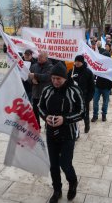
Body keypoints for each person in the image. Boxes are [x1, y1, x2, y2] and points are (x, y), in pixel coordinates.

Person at [38, 62, 85, 203]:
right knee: (53, 166)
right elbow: (39, 107)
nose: (55, 81)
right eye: (53, 78)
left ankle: (73, 182)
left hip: (68, 134)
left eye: (58, 78)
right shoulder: (47, 90)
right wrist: (46, 117)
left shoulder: (74, 90)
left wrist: (64, 119)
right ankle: (57, 190)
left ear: (65, 77)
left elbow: (82, 112)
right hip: (51, 133)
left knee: (65, 164)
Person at [67, 55, 95, 133]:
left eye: (79, 61)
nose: (77, 63)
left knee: (85, 113)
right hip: (73, 97)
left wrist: (89, 98)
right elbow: (67, 83)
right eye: (76, 61)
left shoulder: (88, 72)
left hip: (84, 97)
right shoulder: (71, 71)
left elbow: (92, 87)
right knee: (74, 114)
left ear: (82, 62)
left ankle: (87, 125)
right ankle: (76, 131)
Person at [28, 50, 53, 128]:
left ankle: (48, 125)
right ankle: (37, 126)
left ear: (46, 58)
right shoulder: (34, 66)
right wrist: (32, 80)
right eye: (38, 56)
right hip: (36, 94)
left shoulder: (50, 67)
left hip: (46, 94)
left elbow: (47, 77)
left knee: (47, 111)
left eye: (41, 56)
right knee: (35, 111)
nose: (39, 58)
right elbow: (28, 77)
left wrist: (35, 76)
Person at [91, 51, 112, 122]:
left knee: (105, 103)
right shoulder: (100, 64)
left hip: (106, 88)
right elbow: (95, 72)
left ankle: (104, 115)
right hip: (97, 86)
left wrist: (110, 87)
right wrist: (94, 80)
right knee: (95, 102)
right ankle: (95, 115)